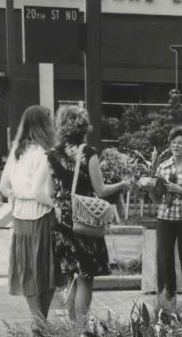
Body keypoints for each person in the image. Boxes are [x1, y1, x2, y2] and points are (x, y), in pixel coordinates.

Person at [48, 105, 131, 324]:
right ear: (84, 127)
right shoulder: (88, 153)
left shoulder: (52, 154)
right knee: (85, 278)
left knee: (70, 280)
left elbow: (50, 192)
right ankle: (81, 330)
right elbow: (101, 190)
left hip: (61, 221)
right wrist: (122, 184)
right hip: (83, 219)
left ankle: (73, 329)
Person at [0, 105, 61, 336]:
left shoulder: (17, 151)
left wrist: (17, 196)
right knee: (48, 269)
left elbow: (3, 186)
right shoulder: (46, 153)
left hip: (20, 218)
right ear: (44, 125)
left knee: (27, 269)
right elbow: (39, 192)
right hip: (42, 215)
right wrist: (58, 206)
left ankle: (39, 321)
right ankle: (40, 322)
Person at [144, 125, 182, 300]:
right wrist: (150, 189)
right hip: (165, 219)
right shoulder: (163, 167)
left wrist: (181, 191)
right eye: (174, 142)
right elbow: (157, 200)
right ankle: (166, 303)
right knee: (164, 260)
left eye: (181, 143)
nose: (176, 146)